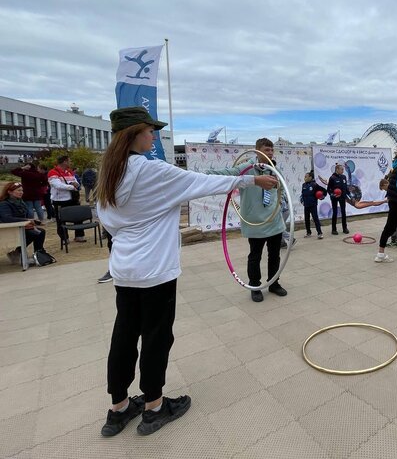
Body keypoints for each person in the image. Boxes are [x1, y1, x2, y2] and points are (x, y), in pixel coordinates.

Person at [96, 107, 277, 437]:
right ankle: (153, 406)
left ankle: (118, 408)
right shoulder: (152, 172)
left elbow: (108, 221)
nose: (154, 136)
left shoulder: (111, 172)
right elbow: (204, 183)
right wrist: (252, 179)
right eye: (150, 131)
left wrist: (136, 230)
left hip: (124, 268)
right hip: (155, 271)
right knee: (156, 336)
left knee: (124, 334)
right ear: (135, 133)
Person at [209, 138, 287, 303]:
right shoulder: (247, 169)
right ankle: (255, 286)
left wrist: (281, 203)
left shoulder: (274, 169)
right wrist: (202, 175)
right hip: (255, 222)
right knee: (255, 256)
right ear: (257, 151)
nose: (270, 153)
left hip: (274, 221)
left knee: (275, 255)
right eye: (267, 150)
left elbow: (281, 189)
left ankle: (274, 283)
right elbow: (228, 175)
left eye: (272, 150)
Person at [0, 181, 47, 264]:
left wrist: (34, 222)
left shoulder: (21, 202)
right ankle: (17, 253)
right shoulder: (4, 204)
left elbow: (25, 216)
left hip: (21, 227)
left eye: (22, 190)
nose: (21, 192)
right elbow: (7, 218)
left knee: (40, 232)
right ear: (9, 192)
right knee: (34, 233)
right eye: (18, 190)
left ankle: (38, 254)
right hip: (9, 230)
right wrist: (26, 221)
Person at [48, 155, 86, 244]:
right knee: (61, 220)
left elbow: (75, 181)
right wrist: (72, 186)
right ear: (64, 161)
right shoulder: (53, 172)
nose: (71, 162)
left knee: (78, 216)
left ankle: (79, 236)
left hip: (72, 198)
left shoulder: (69, 171)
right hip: (60, 200)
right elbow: (58, 185)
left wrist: (75, 184)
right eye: (69, 161)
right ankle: (64, 238)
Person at [300, 171, 325, 239]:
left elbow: (323, 191)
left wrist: (322, 197)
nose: (304, 178)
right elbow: (302, 194)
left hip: (313, 205)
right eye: (304, 177)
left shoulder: (314, 185)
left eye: (306, 177)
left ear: (310, 177)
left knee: (315, 219)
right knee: (306, 219)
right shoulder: (303, 185)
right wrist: (302, 200)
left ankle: (319, 233)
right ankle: (308, 233)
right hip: (306, 205)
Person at [327, 163, 350, 235]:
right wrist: (333, 195)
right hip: (335, 198)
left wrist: (349, 195)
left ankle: (345, 228)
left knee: (343, 212)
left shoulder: (344, 177)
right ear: (337, 169)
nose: (343, 171)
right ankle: (334, 229)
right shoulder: (332, 178)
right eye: (342, 169)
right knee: (335, 213)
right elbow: (328, 189)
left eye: (343, 169)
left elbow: (346, 188)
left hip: (342, 197)